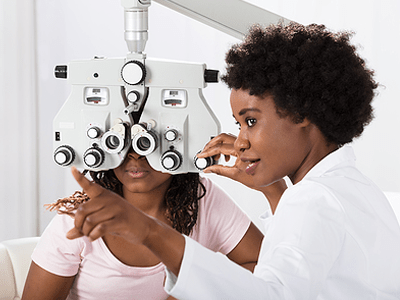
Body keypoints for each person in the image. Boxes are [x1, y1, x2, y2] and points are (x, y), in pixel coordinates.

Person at [44, 22, 400, 299]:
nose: (240, 142)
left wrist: (150, 232)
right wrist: (274, 190)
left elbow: (270, 295)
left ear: (301, 112)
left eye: (251, 121)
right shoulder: (351, 188)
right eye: (238, 125)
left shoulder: (314, 199)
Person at [22, 148, 269, 300]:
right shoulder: (78, 219)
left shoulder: (204, 199)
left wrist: (189, 289)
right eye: (123, 140)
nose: (135, 154)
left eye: (149, 141)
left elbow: (263, 266)